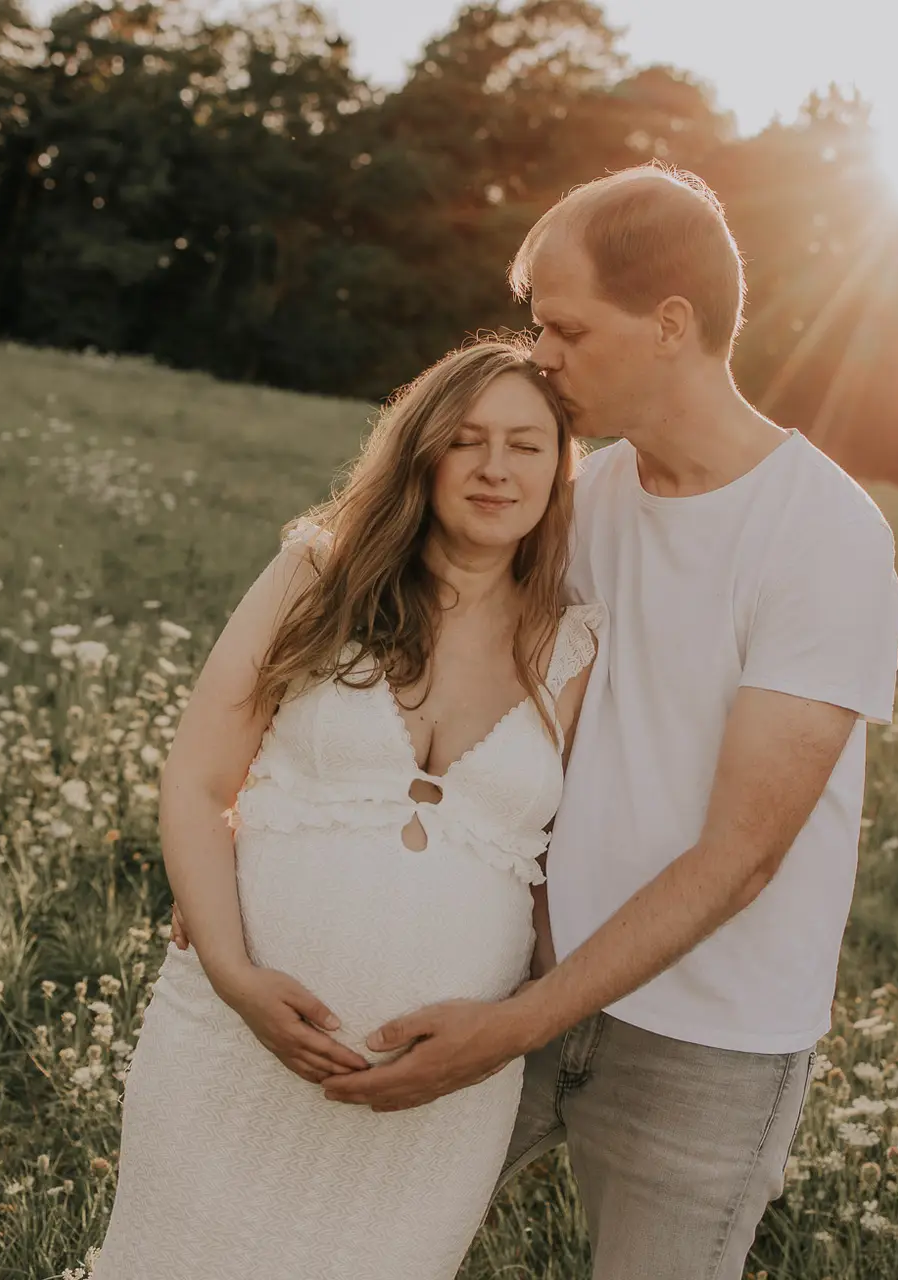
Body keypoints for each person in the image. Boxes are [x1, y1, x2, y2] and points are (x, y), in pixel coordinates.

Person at [314, 165, 898, 1276]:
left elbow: (741, 857)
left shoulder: (822, 534)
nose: (540, 355)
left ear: (670, 325)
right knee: (349, 1235)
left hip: (710, 1038)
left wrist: (525, 1020)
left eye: (564, 328)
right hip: (509, 969)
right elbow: (432, 695)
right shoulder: (580, 503)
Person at [83, 338, 602, 1279]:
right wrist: (237, 977)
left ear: (561, 466)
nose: (496, 468)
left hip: (435, 1102)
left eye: (527, 445)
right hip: (232, 1047)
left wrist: (526, 1026)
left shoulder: (575, 648)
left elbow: (575, 870)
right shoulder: (320, 576)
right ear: (422, 452)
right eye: (467, 439)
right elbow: (199, 780)